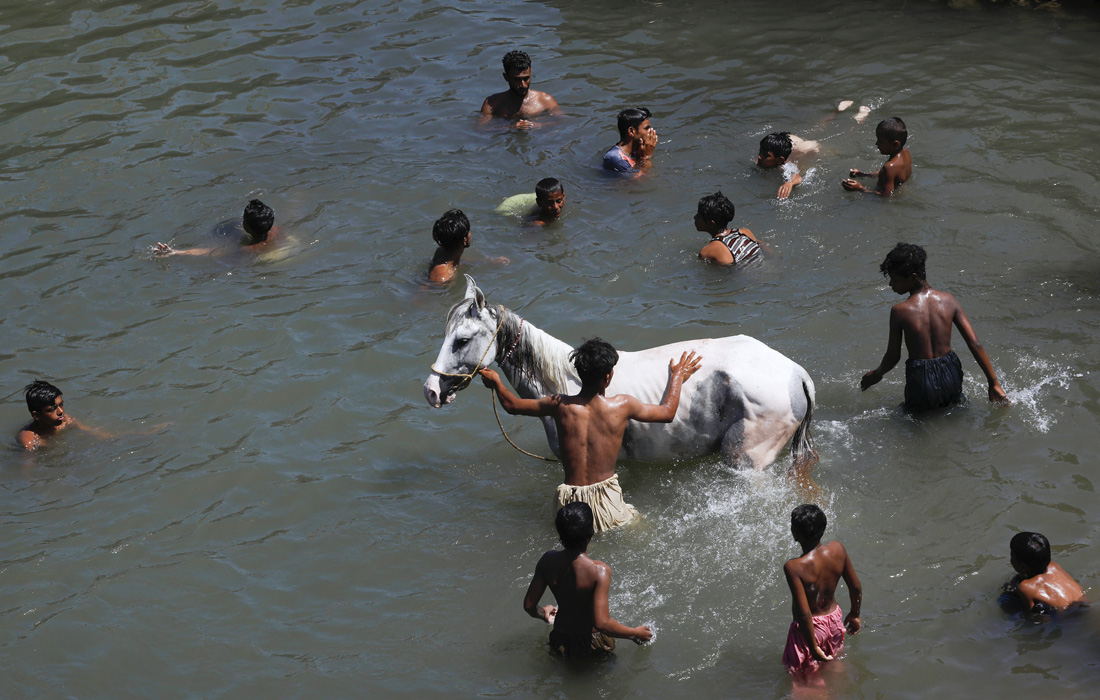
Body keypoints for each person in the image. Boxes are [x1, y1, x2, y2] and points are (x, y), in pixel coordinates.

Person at [478, 339, 701, 532]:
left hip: (568, 502)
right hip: (608, 501)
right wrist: (678, 377)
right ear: (607, 377)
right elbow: (667, 413)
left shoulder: (560, 405)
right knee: (642, 529)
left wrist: (497, 382)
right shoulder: (622, 405)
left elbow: (512, 405)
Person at [860, 243, 1009, 411]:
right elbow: (975, 344)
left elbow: (893, 356)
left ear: (914, 277)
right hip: (950, 372)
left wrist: (877, 374)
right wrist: (993, 383)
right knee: (952, 411)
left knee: (911, 420)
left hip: (921, 379)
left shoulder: (899, 311)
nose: (891, 285)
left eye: (895, 280)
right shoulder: (949, 300)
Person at [523, 502, 653, 658]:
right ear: (590, 534)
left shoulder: (547, 561)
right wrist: (635, 633)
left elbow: (529, 606)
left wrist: (543, 612)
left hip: (560, 639)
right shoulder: (599, 571)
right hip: (593, 642)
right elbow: (602, 624)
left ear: (560, 534)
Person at [782, 504, 862, 681]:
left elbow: (804, 614)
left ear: (795, 533)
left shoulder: (794, 567)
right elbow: (855, 587)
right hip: (834, 620)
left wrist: (812, 646)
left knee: (803, 678)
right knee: (832, 663)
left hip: (811, 628)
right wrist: (855, 614)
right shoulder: (838, 549)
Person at [154, 199, 279, 257]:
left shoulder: (246, 248)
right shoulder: (277, 230)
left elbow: (211, 252)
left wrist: (175, 252)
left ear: (247, 226)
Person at [1003, 532, 1086, 614]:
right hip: (1084, 604)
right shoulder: (1053, 566)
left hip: (1068, 616)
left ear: (1023, 566)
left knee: (1006, 599)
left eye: (1012, 556)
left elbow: (1033, 614)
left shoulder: (1025, 587)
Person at [16, 380, 107, 450]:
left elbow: (89, 431)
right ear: (36, 416)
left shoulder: (66, 420)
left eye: (61, 405)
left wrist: (109, 438)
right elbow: (27, 467)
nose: (60, 411)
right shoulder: (29, 439)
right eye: (52, 409)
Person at [479, 50, 561, 128]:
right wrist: (510, 127)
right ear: (506, 77)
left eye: (526, 78)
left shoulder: (546, 100)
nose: (523, 85)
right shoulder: (493, 104)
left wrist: (538, 125)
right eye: (517, 79)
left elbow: (561, 123)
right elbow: (481, 129)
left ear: (530, 72)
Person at [841, 117, 911, 196]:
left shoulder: (889, 167)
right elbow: (893, 176)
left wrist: (859, 188)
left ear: (895, 145)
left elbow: (886, 196)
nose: (876, 144)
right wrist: (863, 174)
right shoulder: (906, 152)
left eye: (880, 141)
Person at [695, 191, 765, 267]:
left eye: (698, 214)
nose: (695, 217)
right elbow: (763, 246)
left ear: (711, 222)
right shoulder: (744, 232)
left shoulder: (707, 251)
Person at [756, 132, 820, 199]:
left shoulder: (784, 166)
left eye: (765, 155)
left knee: (806, 148)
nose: (759, 157)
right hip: (790, 141)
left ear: (779, 160)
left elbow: (797, 177)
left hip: (807, 148)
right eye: (760, 151)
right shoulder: (762, 159)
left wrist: (790, 183)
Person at [603, 107, 657, 173]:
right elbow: (638, 182)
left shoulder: (637, 151)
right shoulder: (616, 159)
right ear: (631, 131)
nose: (651, 131)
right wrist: (647, 157)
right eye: (646, 128)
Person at [428, 209, 471, 284]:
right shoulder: (442, 277)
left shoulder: (442, 251)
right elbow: (426, 291)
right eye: (468, 232)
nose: (470, 234)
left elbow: (460, 260)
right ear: (464, 240)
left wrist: (489, 261)